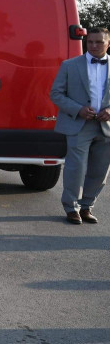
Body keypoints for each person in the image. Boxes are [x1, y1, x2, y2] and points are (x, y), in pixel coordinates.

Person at [50, 27, 110, 224]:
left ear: (108, 43)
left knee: (100, 171)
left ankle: (87, 207)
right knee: (76, 168)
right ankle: (71, 207)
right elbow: (56, 94)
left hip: (106, 126)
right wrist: (78, 109)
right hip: (78, 124)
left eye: (99, 42)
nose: (93, 45)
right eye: (90, 41)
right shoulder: (70, 65)